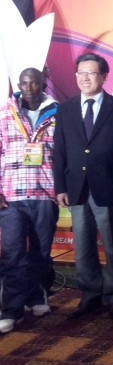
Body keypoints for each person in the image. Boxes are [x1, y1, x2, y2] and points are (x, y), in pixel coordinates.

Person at [54, 53, 113, 319]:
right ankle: (90, 293)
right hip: (76, 188)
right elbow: (59, 151)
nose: (85, 78)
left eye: (91, 73)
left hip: (109, 187)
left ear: (105, 76)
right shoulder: (66, 108)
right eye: (80, 73)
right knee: (83, 246)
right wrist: (60, 186)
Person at [0, 69, 59, 334]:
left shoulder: (58, 112)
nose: (29, 87)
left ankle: (37, 296)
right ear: (18, 85)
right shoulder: (5, 112)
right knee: (13, 253)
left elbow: (65, 153)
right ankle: (11, 310)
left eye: (34, 82)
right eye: (24, 82)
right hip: (11, 195)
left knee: (41, 252)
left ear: (43, 83)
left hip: (45, 193)